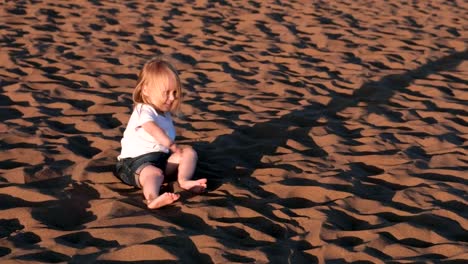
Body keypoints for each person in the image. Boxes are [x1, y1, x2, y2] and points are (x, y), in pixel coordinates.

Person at [115, 56, 207, 209]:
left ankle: (184, 180)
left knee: (189, 152)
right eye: (166, 93)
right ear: (146, 90)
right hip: (134, 164)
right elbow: (150, 127)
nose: (171, 98)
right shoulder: (143, 109)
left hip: (161, 161)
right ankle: (152, 199)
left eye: (175, 93)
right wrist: (168, 142)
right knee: (154, 173)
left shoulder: (164, 113)